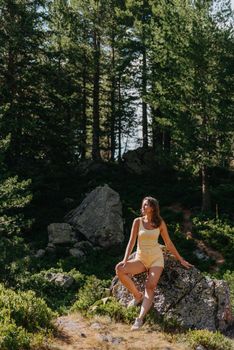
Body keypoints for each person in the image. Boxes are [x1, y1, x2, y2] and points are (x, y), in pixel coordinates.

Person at [115, 196, 193, 331]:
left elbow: (168, 243)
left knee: (150, 286)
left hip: (156, 259)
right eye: (143, 205)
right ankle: (137, 296)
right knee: (119, 269)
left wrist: (180, 259)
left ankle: (139, 319)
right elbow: (131, 242)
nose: (143, 207)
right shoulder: (137, 221)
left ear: (153, 207)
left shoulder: (160, 223)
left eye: (146, 205)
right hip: (141, 259)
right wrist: (125, 259)